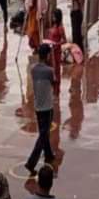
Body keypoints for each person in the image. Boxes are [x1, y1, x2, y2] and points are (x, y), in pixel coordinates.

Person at [25, 45, 57, 175]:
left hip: (38, 107)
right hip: (47, 107)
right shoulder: (50, 71)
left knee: (44, 132)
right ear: (48, 55)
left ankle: (48, 154)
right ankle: (31, 162)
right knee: (43, 134)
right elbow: (54, 83)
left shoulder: (33, 70)